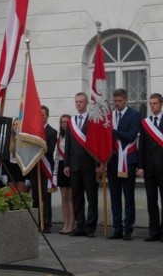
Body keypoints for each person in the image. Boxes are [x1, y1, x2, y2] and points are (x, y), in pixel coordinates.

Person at [106, 88, 140, 240]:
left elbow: (131, 136)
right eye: (115, 101)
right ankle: (117, 227)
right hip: (113, 161)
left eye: (120, 101)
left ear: (126, 100)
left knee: (128, 195)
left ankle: (128, 228)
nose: (117, 104)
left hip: (128, 160)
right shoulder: (110, 116)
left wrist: (114, 133)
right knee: (114, 196)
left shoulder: (134, 115)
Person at [65, 92, 99, 238]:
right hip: (74, 165)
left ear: (86, 103)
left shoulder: (93, 120)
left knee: (92, 197)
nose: (78, 104)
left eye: (81, 102)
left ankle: (90, 227)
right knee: (77, 197)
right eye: (76, 102)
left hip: (90, 165)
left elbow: (97, 144)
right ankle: (80, 225)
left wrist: (99, 163)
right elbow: (68, 145)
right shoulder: (71, 122)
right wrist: (66, 164)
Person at [137, 93, 163, 242]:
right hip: (149, 168)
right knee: (151, 201)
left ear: (161, 104)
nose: (152, 106)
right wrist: (140, 166)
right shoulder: (145, 123)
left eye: (155, 103)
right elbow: (142, 147)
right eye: (150, 104)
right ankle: (153, 232)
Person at [31, 105, 58, 233]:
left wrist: (41, 144)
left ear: (47, 116)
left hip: (46, 167)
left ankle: (46, 223)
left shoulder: (52, 132)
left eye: (43, 115)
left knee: (46, 197)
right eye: (39, 115)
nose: (41, 117)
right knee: (35, 197)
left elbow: (51, 150)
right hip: (35, 168)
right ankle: (36, 222)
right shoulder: (33, 131)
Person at [54, 114, 75, 234]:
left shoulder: (73, 136)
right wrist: (55, 173)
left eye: (66, 122)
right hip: (61, 166)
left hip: (70, 167)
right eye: (62, 122)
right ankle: (65, 223)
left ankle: (72, 224)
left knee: (71, 198)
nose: (64, 124)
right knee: (64, 198)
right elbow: (57, 157)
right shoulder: (60, 138)